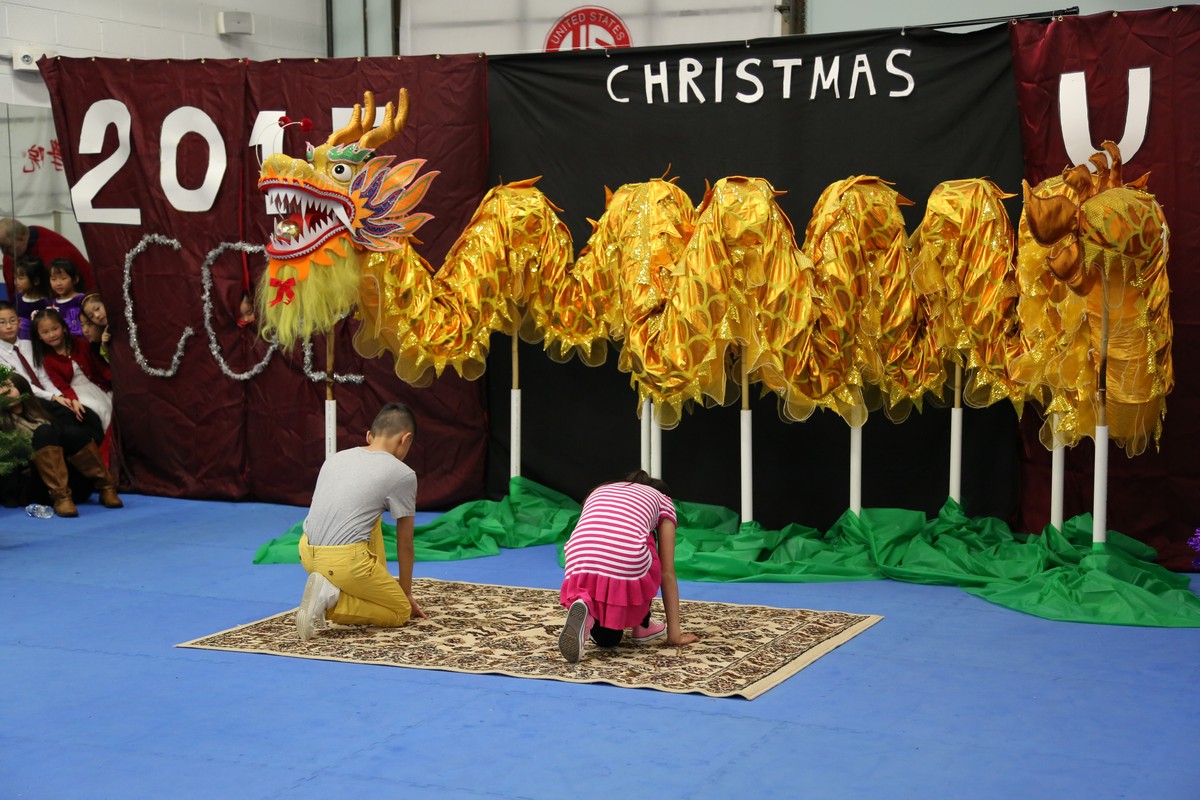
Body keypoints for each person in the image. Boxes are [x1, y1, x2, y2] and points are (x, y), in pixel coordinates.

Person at [295, 402, 428, 641]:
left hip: (306, 553)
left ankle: (338, 586)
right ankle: (332, 599)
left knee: (370, 516)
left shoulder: (335, 458)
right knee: (399, 611)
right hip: (346, 563)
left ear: (369, 436)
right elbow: (405, 543)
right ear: (405, 439)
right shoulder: (403, 474)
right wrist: (406, 594)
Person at [557, 470, 701, 663]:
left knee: (608, 640)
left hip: (578, 557)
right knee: (645, 541)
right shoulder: (663, 501)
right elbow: (667, 573)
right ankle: (642, 625)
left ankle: (587, 607)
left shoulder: (600, 491)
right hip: (625, 558)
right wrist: (675, 636)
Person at [0, 370, 121, 516]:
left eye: (10, 386)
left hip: (71, 481)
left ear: (22, 387)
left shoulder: (41, 407)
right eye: (1, 387)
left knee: (70, 432)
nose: (5, 391)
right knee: (44, 431)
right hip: (34, 486)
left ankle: (106, 487)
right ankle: (61, 497)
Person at [31, 308, 113, 430]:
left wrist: (115, 381)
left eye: (55, 329)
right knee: (100, 409)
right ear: (39, 336)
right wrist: (73, 400)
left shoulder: (81, 344)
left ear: (64, 327)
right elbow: (62, 385)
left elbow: (100, 367)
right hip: (77, 392)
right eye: (45, 332)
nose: (52, 335)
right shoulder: (48, 360)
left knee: (115, 403)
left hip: (97, 384)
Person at [0, 219, 94, 307]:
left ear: (21, 238)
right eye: (1, 247)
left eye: (7, 247)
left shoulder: (54, 250)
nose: (4, 253)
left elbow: (61, 289)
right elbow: (12, 293)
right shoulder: (10, 256)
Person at [12, 258, 49, 340]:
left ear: (36, 281)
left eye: (21, 278)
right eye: (15, 278)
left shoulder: (45, 303)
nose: (16, 282)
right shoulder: (17, 297)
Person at [48, 258, 87, 337]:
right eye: (53, 279)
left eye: (63, 278)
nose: (58, 283)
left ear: (75, 279)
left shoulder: (82, 299)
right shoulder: (52, 304)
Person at [81, 293, 112, 361]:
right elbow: (111, 361)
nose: (97, 315)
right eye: (91, 316)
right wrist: (105, 346)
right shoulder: (105, 335)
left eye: (97, 309)